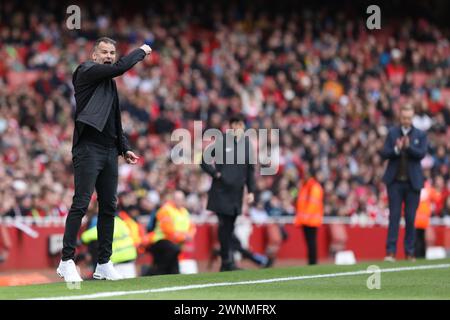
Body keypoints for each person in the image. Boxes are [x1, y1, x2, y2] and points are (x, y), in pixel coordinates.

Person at [57, 37, 152, 282]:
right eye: (104, 52)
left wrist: (124, 147)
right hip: (88, 148)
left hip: (109, 150)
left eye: (112, 52)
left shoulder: (108, 84)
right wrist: (141, 51)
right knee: (81, 203)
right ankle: (66, 261)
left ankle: (103, 263)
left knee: (109, 206)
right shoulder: (86, 71)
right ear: (94, 55)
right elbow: (120, 67)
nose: (109, 56)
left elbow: (113, 120)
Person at [200, 114, 256, 271]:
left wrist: (251, 190)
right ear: (231, 126)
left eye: (240, 124)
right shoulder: (222, 141)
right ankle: (227, 261)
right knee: (224, 226)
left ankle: (227, 261)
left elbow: (250, 170)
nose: (238, 127)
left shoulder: (247, 144)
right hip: (221, 192)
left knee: (230, 227)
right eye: (235, 124)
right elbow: (203, 161)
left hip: (236, 193)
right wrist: (215, 174)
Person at [381, 104, 428, 262]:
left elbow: (421, 154)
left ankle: (409, 252)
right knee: (393, 217)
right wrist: (396, 149)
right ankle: (390, 252)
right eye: (403, 117)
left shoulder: (420, 134)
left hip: (412, 183)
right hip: (394, 182)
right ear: (400, 117)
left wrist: (408, 148)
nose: (406, 120)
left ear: (412, 117)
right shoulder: (392, 133)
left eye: (408, 117)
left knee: (410, 218)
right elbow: (384, 153)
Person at [144, 191, 195, 276]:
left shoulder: (184, 211)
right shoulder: (165, 210)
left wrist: (189, 235)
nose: (179, 201)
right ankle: (155, 272)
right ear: (173, 199)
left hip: (174, 241)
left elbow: (191, 227)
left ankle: (170, 273)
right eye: (177, 199)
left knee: (174, 262)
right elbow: (168, 230)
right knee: (174, 250)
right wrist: (184, 237)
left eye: (181, 199)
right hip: (161, 240)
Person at [294, 166, 324, 265]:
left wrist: (305, 217)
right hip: (307, 219)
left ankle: (313, 262)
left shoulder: (313, 187)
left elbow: (313, 204)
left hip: (310, 220)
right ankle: (311, 262)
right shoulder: (306, 186)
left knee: (311, 242)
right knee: (309, 242)